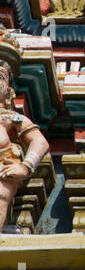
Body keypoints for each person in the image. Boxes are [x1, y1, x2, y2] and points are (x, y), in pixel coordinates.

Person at [0, 61, 49, 230]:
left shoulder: (9, 118)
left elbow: (39, 141)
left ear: (8, 89)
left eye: (0, 77)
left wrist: (25, 166)